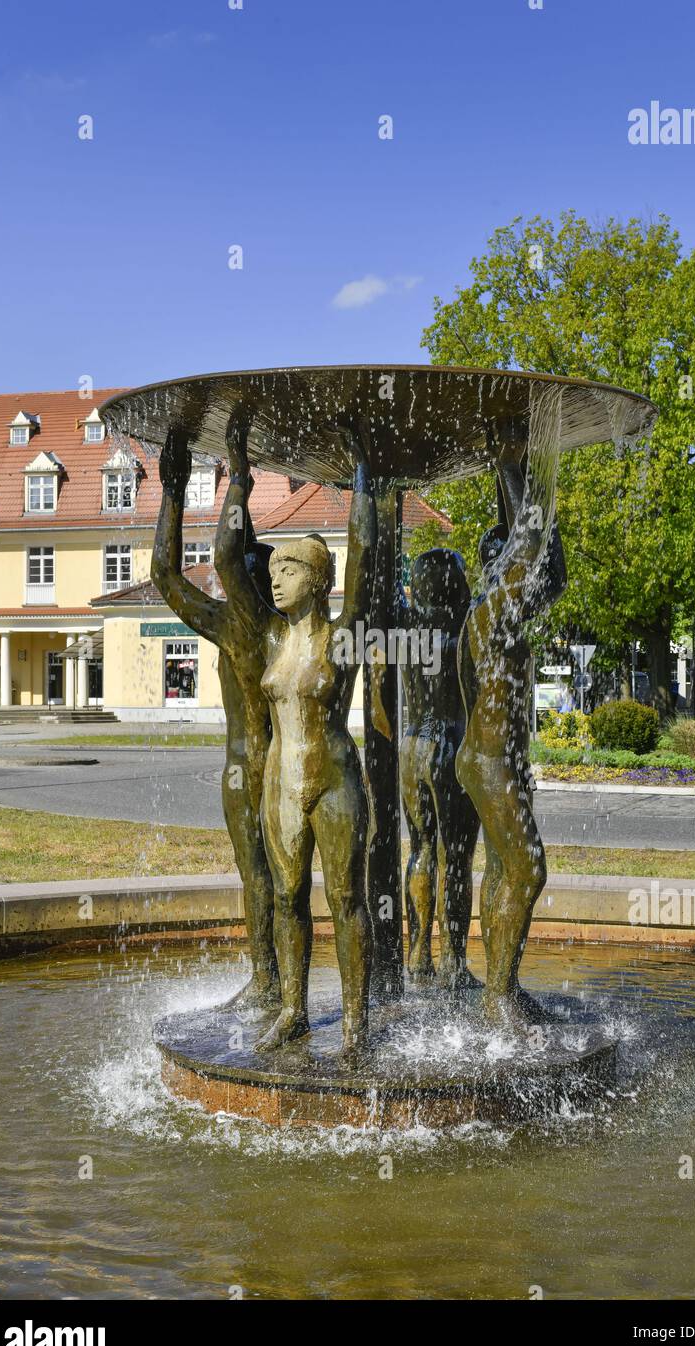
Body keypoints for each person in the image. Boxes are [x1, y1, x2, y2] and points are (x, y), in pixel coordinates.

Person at [219, 407, 377, 1058]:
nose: (275, 576)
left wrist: (362, 472)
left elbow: (365, 556)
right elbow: (230, 556)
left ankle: (357, 1021)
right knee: (287, 898)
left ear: (318, 579)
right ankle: (292, 1009)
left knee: (344, 898)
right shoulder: (266, 638)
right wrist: (239, 474)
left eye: (288, 568)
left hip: (334, 780)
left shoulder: (343, 637)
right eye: (275, 568)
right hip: (281, 785)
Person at [152, 425, 280, 1008]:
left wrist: (214, 483)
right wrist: (226, 483)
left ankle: (272, 984)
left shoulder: (249, 627)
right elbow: (175, 572)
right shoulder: (258, 625)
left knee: (264, 877)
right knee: (266, 877)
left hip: (251, 771)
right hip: (258, 770)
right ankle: (274, 984)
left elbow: (180, 568)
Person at [456, 390, 567, 1029]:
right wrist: (513, 466)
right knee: (528, 869)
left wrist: (516, 475)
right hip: (490, 761)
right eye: (510, 562)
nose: (527, 577)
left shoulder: (506, 615)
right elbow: (531, 552)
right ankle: (498, 997)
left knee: (504, 870)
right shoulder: (489, 614)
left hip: (505, 760)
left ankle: (502, 990)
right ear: (496, 567)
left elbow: (551, 569)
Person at [396, 549, 480, 989]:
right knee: (458, 856)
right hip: (452, 743)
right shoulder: (467, 626)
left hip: (412, 747)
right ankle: (453, 960)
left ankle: (417, 954)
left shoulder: (405, 626)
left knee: (421, 850)